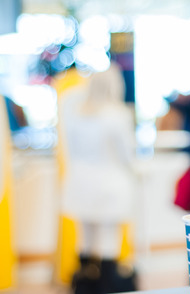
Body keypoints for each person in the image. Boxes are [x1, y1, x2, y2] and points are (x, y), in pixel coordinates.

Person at [60, 64, 138, 294]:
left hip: (80, 183)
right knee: (108, 237)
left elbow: (70, 150)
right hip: (110, 185)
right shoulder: (118, 115)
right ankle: (108, 285)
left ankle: (84, 284)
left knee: (85, 236)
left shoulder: (75, 113)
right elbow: (127, 155)